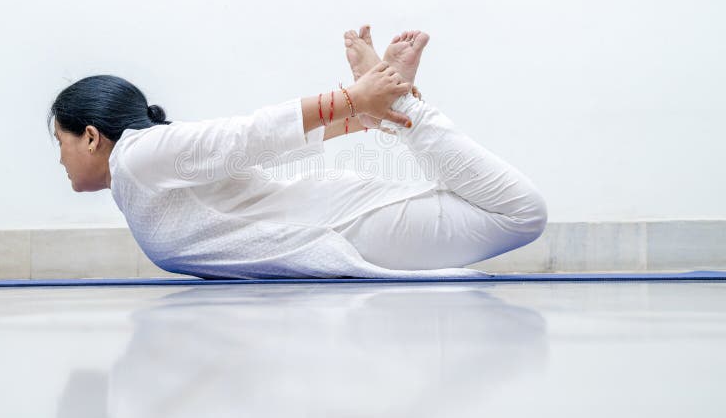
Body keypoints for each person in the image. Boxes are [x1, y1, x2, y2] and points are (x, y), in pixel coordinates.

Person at [47, 26, 547, 279]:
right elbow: (256, 155)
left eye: (60, 142)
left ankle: (396, 96)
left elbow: (249, 136)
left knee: (522, 214)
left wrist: (359, 99)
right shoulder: (141, 176)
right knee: (514, 214)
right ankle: (393, 98)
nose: (61, 160)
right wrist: (360, 112)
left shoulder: (136, 156)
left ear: (91, 136)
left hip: (349, 227)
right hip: (344, 227)